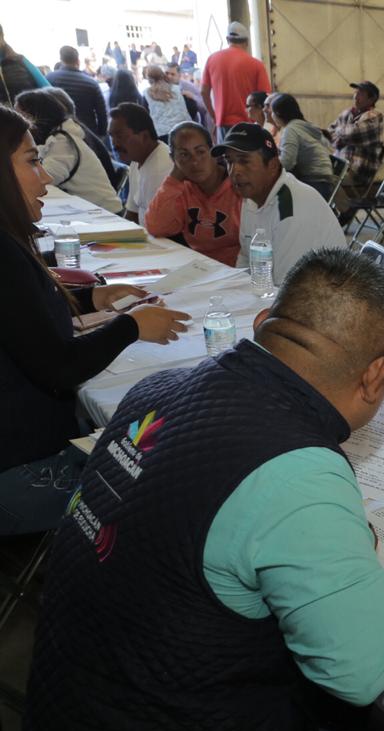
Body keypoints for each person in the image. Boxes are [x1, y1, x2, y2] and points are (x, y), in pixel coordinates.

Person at [20, 247, 384, 731]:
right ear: (378, 373)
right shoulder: (296, 472)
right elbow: (360, 672)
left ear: (264, 321)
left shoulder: (154, 392)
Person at [0, 104, 188, 535]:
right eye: (32, 162)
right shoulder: (4, 256)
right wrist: (132, 325)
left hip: (22, 451)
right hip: (20, 473)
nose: (46, 178)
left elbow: (20, 317)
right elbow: (59, 367)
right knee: (170, 478)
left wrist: (88, 298)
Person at [216, 123, 346, 285]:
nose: (234, 171)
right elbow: (246, 258)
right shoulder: (250, 197)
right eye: (229, 161)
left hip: (323, 299)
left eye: (244, 161)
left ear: (272, 165)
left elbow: (286, 288)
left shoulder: (290, 207)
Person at [145, 122, 241, 265]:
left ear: (213, 152)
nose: (195, 161)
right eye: (184, 155)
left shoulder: (238, 186)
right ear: (173, 158)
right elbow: (155, 227)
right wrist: (174, 179)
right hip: (196, 267)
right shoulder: (179, 188)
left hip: (238, 270)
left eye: (201, 152)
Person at [15, 89, 120, 212]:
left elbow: (45, 178)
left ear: (37, 117)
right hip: (83, 209)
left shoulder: (64, 142)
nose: (17, 125)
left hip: (104, 213)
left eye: (20, 117)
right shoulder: (57, 138)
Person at [201, 21, 271, 139]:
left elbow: (203, 92)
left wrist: (214, 116)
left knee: (225, 156)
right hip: (249, 125)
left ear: (228, 40)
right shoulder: (256, 64)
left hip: (223, 124)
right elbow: (265, 97)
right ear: (247, 42)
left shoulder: (212, 60)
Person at [328, 80, 384, 218]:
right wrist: (341, 136)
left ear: (371, 99)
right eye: (355, 92)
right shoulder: (348, 113)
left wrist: (340, 133)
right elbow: (329, 132)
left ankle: (345, 209)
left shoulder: (374, 116)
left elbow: (352, 132)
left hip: (358, 170)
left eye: (360, 93)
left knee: (326, 177)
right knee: (317, 171)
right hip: (342, 166)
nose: (355, 96)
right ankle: (333, 212)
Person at [109, 102, 173, 224]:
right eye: (112, 137)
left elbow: (158, 229)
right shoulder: (136, 160)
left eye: (120, 136)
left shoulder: (161, 169)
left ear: (144, 136)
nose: (115, 144)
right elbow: (132, 213)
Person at [268, 93, 336, 200]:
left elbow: (287, 163)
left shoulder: (291, 129)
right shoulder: (303, 125)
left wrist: (268, 168)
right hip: (325, 183)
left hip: (314, 184)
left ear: (278, 113)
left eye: (271, 112)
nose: (271, 115)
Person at [44, 46, 108, 137]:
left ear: (61, 59)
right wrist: (101, 135)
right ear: (78, 60)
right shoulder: (91, 83)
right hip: (87, 134)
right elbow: (102, 113)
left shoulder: (49, 79)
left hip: (58, 134)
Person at [142, 63, 189, 140]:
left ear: (149, 79)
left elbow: (145, 116)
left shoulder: (147, 94)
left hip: (161, 133)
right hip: (182, 130)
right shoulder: (176, 89)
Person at [166, 61, 213, 133]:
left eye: (172, 74)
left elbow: (204, 105)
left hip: (189, 126)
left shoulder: (188, 86)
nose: (169, 76)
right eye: (167, 73)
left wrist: (192, 96)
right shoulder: (160, 87)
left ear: (179, 75)